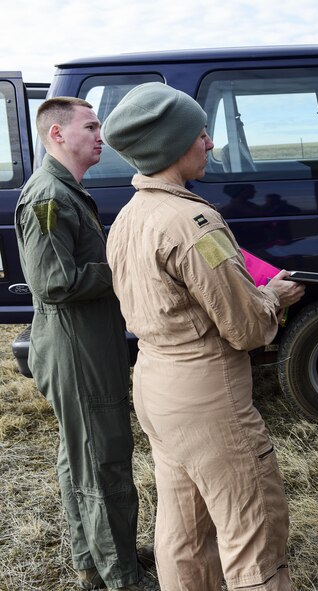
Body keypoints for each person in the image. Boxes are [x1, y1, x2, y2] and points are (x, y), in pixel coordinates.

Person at [101, 82, 305, 590]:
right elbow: (246, 327)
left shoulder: (130, 216)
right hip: (207, 395)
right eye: (201, 134)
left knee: (183, 533)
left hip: (155, 384)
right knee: (254, 533)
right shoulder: (194, 223)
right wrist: (273, 298)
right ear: (173, 145)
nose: (210, 144)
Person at [14, 98, 157, 590]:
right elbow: (54, 281)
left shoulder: (65, 190)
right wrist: (123, 266)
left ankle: (95, 560)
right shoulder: (48, 196)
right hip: (77, 347)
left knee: (79, 456)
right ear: (57, 135)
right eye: (91, 126)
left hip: (85, 341)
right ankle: (123, 576)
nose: (101, 135)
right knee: (103, 460)